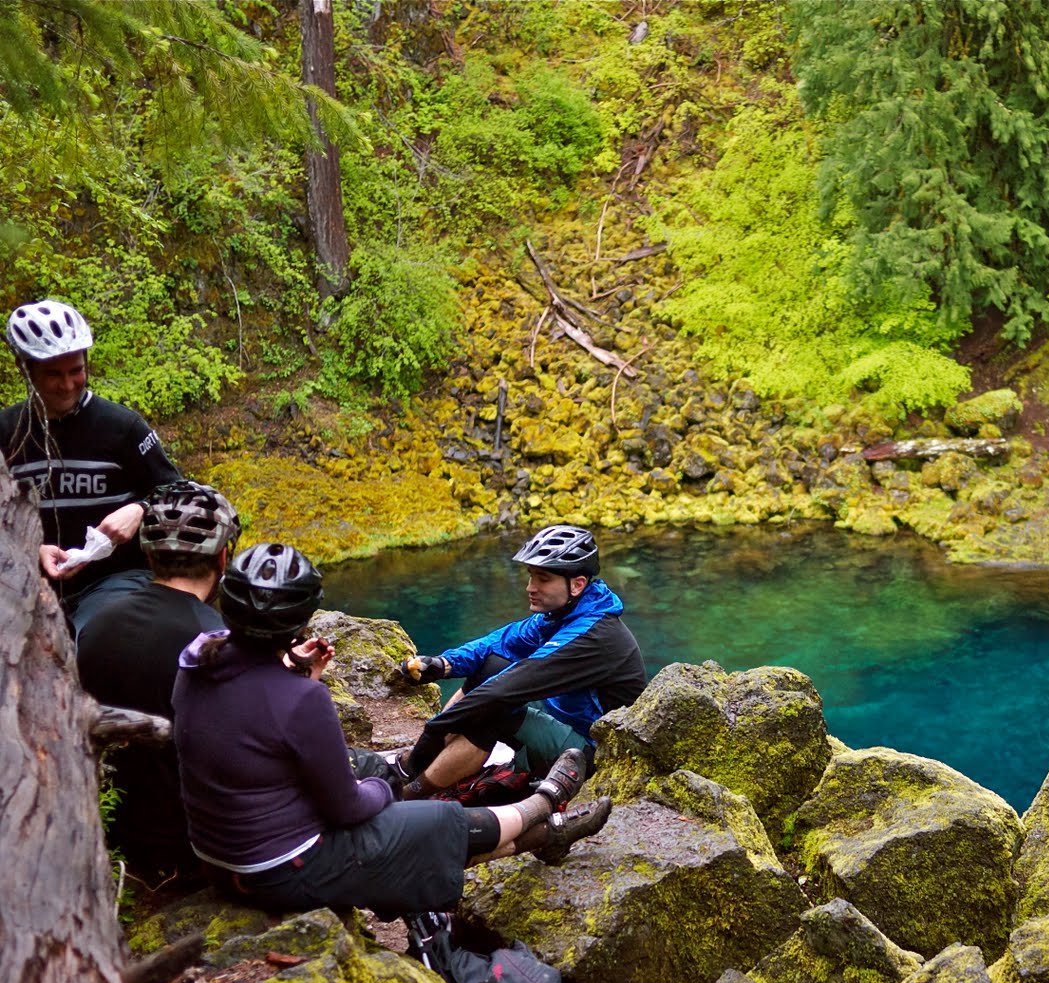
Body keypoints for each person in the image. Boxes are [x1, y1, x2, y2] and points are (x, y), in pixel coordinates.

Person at [171, 542, 612, 916]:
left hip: (218, 855)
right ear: (302, 618)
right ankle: (543, 806)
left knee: (366, 767)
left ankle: (546, 835)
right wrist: (385, 791)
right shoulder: (302, 699)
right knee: (432, 819)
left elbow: (254, 716)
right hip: (280, 869)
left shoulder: (197, 657)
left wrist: (291, 674)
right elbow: (347, 808)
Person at [397, 524, 648, 800]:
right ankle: (422, 765)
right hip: (562, 726)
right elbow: (498, 643)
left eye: (542, 579)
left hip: (591, 757)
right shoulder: (564, 614)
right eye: (531, 577)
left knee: (495, 708)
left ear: (577, 584)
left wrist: (436, 729)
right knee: (491, 666)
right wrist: (444, 664)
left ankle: (412, 794)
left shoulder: (594, 635)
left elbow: (503, 691)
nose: (531, 587)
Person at [76, 481, 238, 886]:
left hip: (114, 832)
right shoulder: (217, 643)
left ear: (148, 555)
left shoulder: (94, 628)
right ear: (222, 556)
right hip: (192, 847)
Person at [1, 299, 182, 632]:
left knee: (99, 639)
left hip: (115, 580)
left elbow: (181, 494)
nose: (68, 385)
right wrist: (31, 549)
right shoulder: (7, 431)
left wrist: (140, 509)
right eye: (53, 374)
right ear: (24, 369)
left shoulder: (122, 426)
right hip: (26, 583)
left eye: (76, 371)